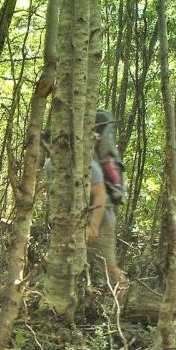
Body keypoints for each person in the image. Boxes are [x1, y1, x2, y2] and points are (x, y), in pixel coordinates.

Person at [40, 123, 127, 292]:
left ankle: (126, 302)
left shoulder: (87, 165)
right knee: (63, 262)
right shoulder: (50, 165)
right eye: (48, 145)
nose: (51, 148)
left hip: (101, 220)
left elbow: (101, 195)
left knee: (108, 267)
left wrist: (93, 227)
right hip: (72, 222)